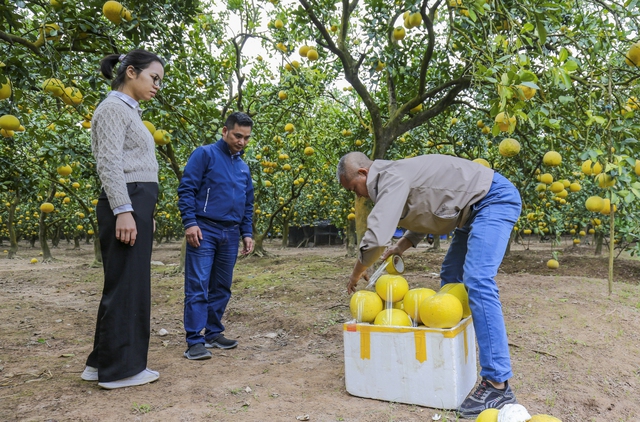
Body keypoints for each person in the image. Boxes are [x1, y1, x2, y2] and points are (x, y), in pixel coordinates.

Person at [336, 151, 522, 418]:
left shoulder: (389, 177)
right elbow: (428, 207)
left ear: (363, 173)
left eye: (355, 188)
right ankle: (456, 354)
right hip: (471, 210)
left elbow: (376, 237)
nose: (359, 195)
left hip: (492, 200)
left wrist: (357, 272)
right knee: (451, 276)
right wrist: (401, 246)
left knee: (478, 279)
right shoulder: (396, 176)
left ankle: (497, 383)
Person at [82, 49, 165, 389]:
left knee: (124, 284)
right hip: (126, 202)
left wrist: (143, 212)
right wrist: (124, 210)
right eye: (153, 78)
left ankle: (99, 363)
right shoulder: (114, 108)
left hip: (135, 203)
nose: (157, 85)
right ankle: (121, 371)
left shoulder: (127, 111)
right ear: (131, 72)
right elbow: (109, 164)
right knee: (128, 288)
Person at [178, 112, 255, 360]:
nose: (242, 142)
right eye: (237, 135)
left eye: (246, 138)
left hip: (231, 233)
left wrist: (247, 232)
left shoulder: (243, 167)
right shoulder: (205, 155)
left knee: (222, 286)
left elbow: (247, 202)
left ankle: (213, 332)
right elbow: (187, 189)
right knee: (198, 285)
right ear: (224, 131)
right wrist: (190, 222)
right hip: (205, 229)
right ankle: (194, 340)